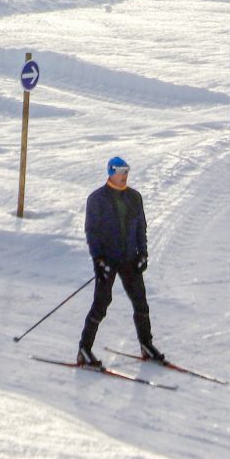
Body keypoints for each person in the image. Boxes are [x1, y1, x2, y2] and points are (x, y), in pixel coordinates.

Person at [77, 155, 165, 368]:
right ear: (110, 173)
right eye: (119, 172)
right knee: (101, 304)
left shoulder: (134, 197)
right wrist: (98, 259)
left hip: (129, 259)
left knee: (141, 303)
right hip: (107, 260)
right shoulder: (97, 199)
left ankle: (146, 345)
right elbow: (92, 231)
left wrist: (143, 254)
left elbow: (141, 227)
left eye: (126, 172)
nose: (123, 176)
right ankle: (84, 350)